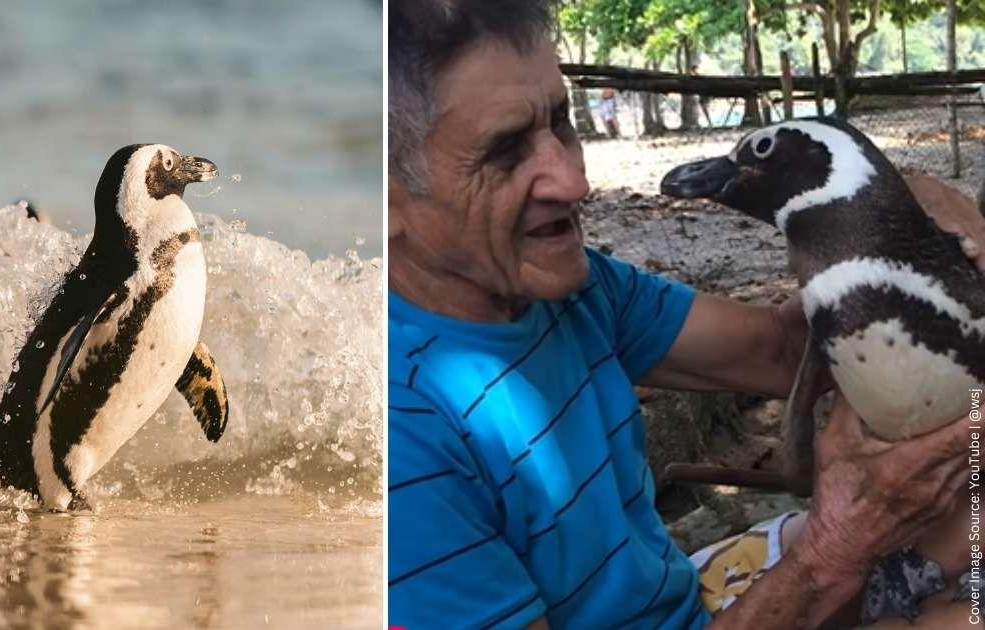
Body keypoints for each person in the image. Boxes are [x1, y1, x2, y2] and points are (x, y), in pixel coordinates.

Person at [386, 1, 985, 628]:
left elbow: (782, 351)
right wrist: (834, 551)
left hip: (693, 594)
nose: (573, 181)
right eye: (504, 152)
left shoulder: (568, 288)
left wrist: (893, 209)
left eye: (561, 123)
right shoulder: (398, 441)